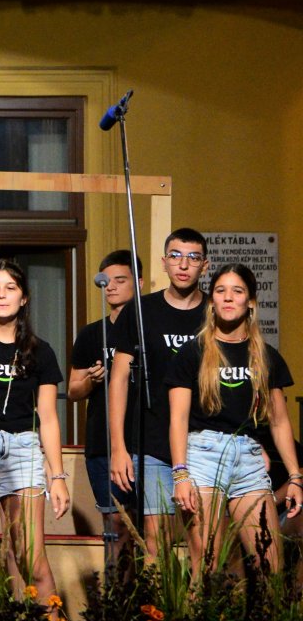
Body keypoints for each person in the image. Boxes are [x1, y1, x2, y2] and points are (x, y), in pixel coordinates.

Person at [169, 264, 301, 574]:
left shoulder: (266, 356)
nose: (228, 298)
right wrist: (180, 474)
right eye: (220, 290)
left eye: (237, 291)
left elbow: (280, 422)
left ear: (251, 302)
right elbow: (178, 419)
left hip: (250, 457)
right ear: (211, 300)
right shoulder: (193, 353)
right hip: (202, 455)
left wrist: (295, 477)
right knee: (207, 564)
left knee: (270, 564)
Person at [0, 260, 70, 603]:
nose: (1, 295)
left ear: (24, 298)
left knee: (32, 557)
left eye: (10, 288)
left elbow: (48, 418)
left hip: (24, 448)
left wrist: (58, 475)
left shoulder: (41, 351)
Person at [109, 228, 211, 550]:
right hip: (152, 442)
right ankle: (159, 603)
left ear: (204, 266)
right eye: (176, 256)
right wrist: (118, 446)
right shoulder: (140, 311)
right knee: (156, 540)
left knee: (203, 541)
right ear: (164, 262)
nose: (183, 264)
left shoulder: (214, 312)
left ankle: (195, 603)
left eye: (193, 257)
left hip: (203, 442)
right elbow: (119, 379)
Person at [70, 251, 138, 559]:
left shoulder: (146, 330)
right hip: (102, 443)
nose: (111, 287)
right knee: (114, 523)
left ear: (137, 282)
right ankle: (115, 602)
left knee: (148, 525)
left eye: (120, 280)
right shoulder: (90, 334)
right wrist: (92, 381)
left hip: (145, 440)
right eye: (106, 281)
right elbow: (73, 390)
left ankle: (151, 601)